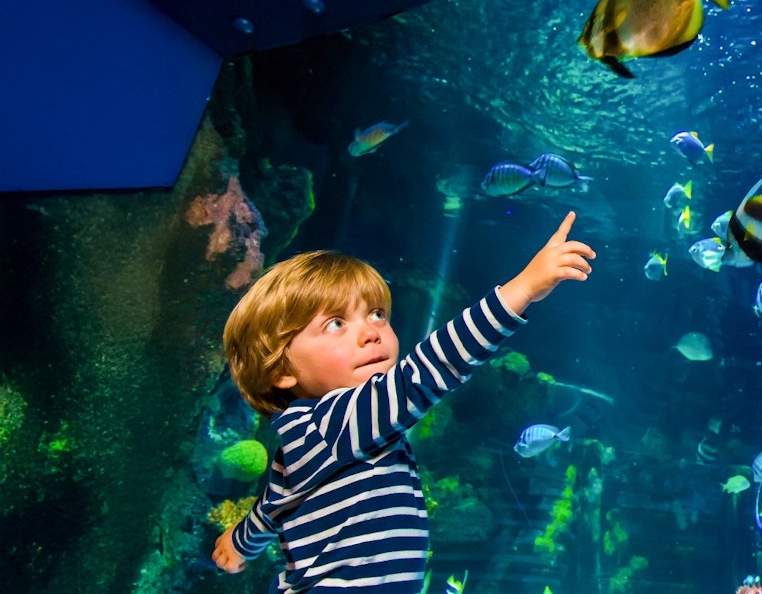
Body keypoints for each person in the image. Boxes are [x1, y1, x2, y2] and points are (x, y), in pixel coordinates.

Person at [211, 211, 595, 591]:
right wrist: (522, 289)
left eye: (377, 315)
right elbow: (428, 370)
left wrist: (238, 542)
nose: (370, 333)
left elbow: (272, 507)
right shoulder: (338, 420)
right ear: (281, 371)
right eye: (335, 324)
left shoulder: (302, 443)